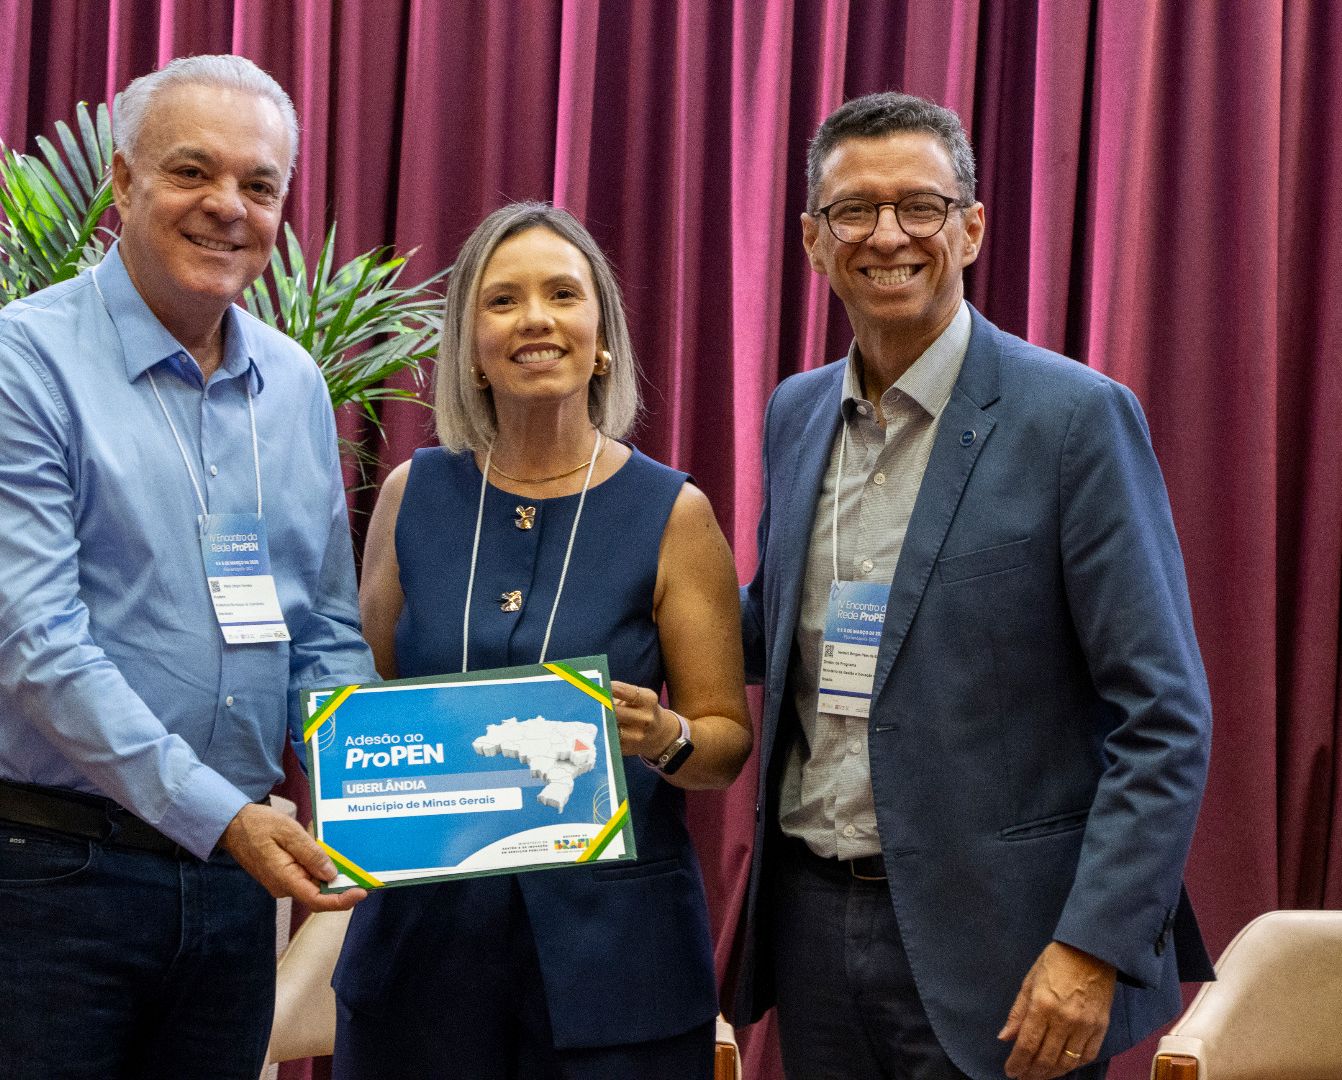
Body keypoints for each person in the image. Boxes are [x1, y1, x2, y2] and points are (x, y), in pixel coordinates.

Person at [725, 93, 1214, 1080]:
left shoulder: (1075, 420)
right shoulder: (795, 413)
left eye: (921, 205)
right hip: (814, 929)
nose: (888, 236)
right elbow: (772, 627)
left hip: (1010, 949)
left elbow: (1164, 714)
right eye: (854, 211)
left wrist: (1092, 948)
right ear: (814, 241)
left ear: (973, 227)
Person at [0, 55, 373, 1080]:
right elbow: (39, 647)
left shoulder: (293, 387)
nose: (228, 207)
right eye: (191, 172)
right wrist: (225, 816)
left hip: (229, 894)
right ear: (121, 183)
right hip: (52, 879)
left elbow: (324, 631)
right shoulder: (18, 367)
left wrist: (380, 790)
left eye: (259, 186)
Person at [333, 202, 753, 1079]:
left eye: (563, 294)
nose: (536, 319)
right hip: (420, 958)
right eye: (503, 301)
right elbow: (358, 695)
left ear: (601, 335)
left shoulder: (673, 512)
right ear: (471, 345)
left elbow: (723, 742)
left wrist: (665, 736)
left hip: (616, 971)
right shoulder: (415, 494)